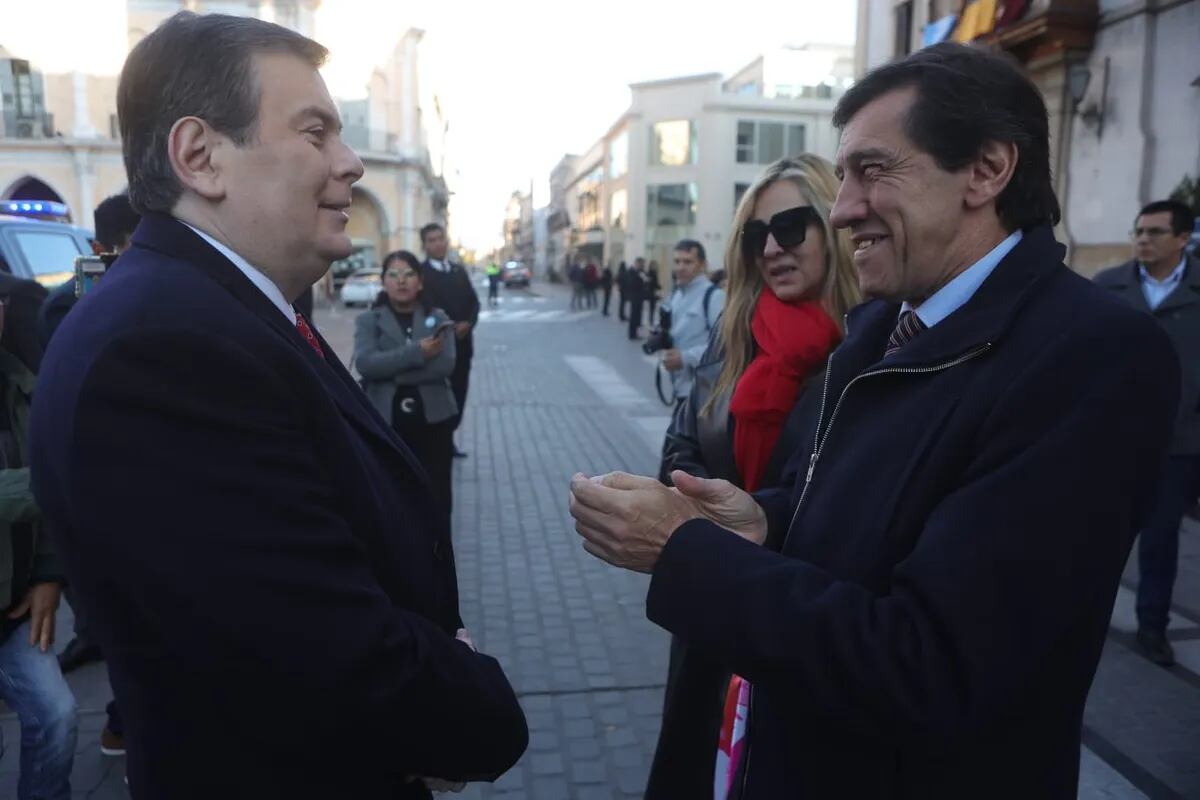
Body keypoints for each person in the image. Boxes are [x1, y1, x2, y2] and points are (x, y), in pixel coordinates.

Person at [568, 43, 1178, 798]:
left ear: (987, 171)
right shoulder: (881, 327)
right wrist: (762, 521)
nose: (844, 206)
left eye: (873, 171)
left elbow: (933, 667)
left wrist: (685, 550)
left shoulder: (1092, 355)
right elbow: (864, 514)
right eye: (844, 176)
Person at [29, 13, 526, 798]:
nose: (352, 162)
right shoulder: (165, 350)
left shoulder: (218, 312)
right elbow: (320, 650)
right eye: (316, 132)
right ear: (201, 157)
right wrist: (470, 699)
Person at [647, 154, 861, 799]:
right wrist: (694, 495)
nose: (773, 248)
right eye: (755, 234)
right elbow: (683, 439)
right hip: (714, 608)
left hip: (807, 621)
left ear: (833, 227)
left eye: (793, 226)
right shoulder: (733, 331)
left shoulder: (873, 346)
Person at [1094, 198, 1200, 667]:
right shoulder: (1107, 287)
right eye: (1139, 230)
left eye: (1155, 232)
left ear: (1183, 238)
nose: (1142, 239)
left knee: (1160, 544)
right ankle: (1078, 621)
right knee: (1091, 540)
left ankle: (1152, 627)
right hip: (1107, 445)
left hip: (1176, 448)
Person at [0, 276, 78, 800]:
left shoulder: (23, 380)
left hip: (13, 608)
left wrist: (49, 573)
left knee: (58, 717)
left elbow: (43, 460)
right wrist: (68, 481)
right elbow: (50, 478)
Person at [356, 250, 458, 522]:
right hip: (385, 421)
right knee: (391, 497)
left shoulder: (438, 318)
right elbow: (366, 364)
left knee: (436, 498)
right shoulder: (369, 321)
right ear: (383, 282)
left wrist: (391, 374)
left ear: (420, 282)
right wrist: (417, 353)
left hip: (434, 421)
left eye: (409, 274)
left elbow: (445, 365)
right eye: (393, 274)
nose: (401, 281)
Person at [419, 222, 480, 459]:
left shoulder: (458, 271)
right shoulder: (422, 274)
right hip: (439, 348)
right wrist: (449, 328)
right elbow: (426, 308)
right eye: (432, 240)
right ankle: (438, 441)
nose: (438, 243)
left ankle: (449, 438)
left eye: (440, 238)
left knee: (459, 394)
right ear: (424, 245)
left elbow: (474, 302)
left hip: (464, 347)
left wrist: (469, 323)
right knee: (439, 396)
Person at [656, 240, 726, 424]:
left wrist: (685, 358)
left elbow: (723, 346)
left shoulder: (713, 296)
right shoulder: (676, 295)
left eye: (688, 262)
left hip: (704, 394)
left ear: (702, 265)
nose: (681, 267)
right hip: (681, 391)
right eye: (677, 261)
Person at [626, 257, 647, 340]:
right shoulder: (632, 272)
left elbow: (644, 280)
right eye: (641, 264)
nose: (642, 265)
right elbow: (632, 283)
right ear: (637, 263)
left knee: (638, 315)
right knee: (634, 316)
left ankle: (636, 333)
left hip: (639, 296)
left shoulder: (641, 272)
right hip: (635, 296)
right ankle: (632, 334)